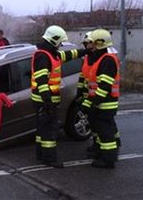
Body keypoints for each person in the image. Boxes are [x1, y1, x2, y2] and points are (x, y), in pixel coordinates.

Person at [31, 25, 87, 168]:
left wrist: (84, 52)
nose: (61, 45)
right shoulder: (43, 56)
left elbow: (67, 55)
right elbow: (42, 81)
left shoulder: (50, 53)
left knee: (42, 131)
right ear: (54, 40)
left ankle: (41, 155)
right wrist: (48, 101)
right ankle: (49, 159)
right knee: (49, 132)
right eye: (60, 42)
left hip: (43, 101)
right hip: (45, 102)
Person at [81, 29, 121, 169]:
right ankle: (99, 151)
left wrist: (93, 103)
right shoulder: (100, 58)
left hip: (106, 104)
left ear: (99, 43)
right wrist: (88, 102)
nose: (89, 45)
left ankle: (108, 159)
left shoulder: (108, 60)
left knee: (106, 132)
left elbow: (104, 86)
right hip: (99, 102)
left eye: (92, 43)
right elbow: (93, 85)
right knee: (98, 129)